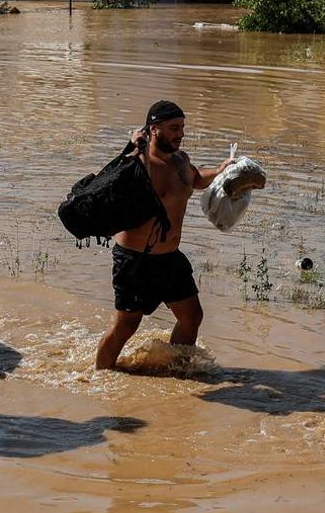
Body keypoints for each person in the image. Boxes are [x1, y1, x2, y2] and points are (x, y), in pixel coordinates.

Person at [94, 100, 234, 371]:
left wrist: (220, 171)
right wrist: (133, 148)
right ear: (154, 129)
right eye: (173, 128)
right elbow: (111, 179)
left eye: (182, 127)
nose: (180, 134)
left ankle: (177, 371)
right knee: (126, 326)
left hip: (169, 259)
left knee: (192, 316)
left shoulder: (181, 160)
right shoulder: (139, 164)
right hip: (135, 261)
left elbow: (195, 180)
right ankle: (101, 375)